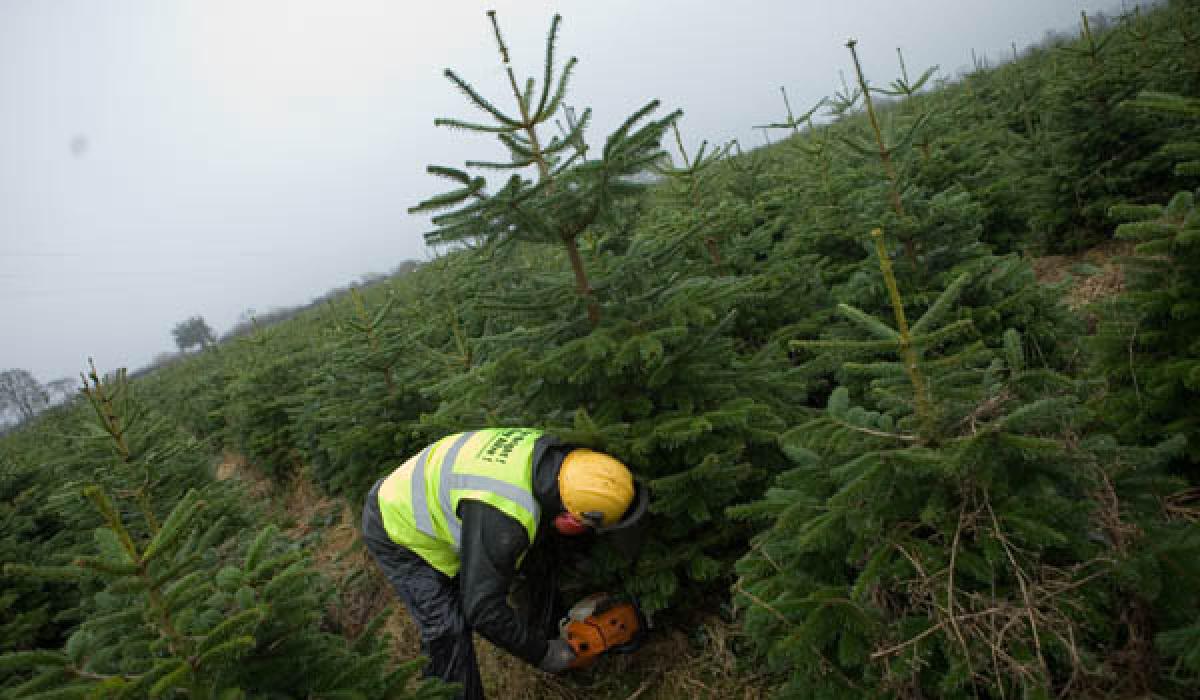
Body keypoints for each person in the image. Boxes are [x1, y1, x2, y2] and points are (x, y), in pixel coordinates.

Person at [360, 427, 648, 699]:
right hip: (395, 524)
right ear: (571, 519)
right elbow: (483, 611)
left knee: (539, 559)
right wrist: (544, 655)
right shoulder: (506, 518)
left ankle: (548, 632)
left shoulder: (556, 457)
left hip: (439, 491)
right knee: (448, 628)